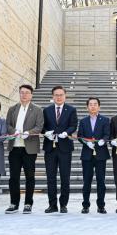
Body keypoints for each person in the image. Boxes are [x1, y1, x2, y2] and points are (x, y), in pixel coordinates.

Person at [5, 84, 44, 214]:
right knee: (13, 177)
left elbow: (39, 126)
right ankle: (14, 203)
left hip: (29, 148)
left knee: (30, 177)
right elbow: (8, 125)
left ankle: (28, 203)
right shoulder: (12, 109)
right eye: (22, 92)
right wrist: (14, 131)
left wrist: (29, 132)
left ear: (31, 95)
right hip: (14, 147)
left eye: (27, 92)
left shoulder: (38, 110)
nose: (24, 95)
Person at [42, 85, 77, 213]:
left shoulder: (71, 110)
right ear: (53, 96)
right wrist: (46, 132)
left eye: (61, 95)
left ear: (65, 96)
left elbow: (73, 125)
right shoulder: (47, 110)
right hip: (50, 148)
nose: (59, 97)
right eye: (56, 95)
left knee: (64, 177)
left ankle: (63, 204)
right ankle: (52, 205)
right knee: (50, 178)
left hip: (65, 148)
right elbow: (42, 126)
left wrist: (66, 132)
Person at [77, 97, 110, 214]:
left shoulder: (105, 120)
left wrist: (103, 140)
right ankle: (85, 205)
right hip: (87, 155)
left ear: (99, 106)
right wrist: (86, 143)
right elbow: (80, 136)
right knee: (87, 181)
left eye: (95, 104)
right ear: (87, 107)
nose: (93, 106)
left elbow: (107, 134)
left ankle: (101, 205)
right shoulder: (83, 121)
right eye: (90, 104)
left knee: (101, 181)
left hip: (101, 155)